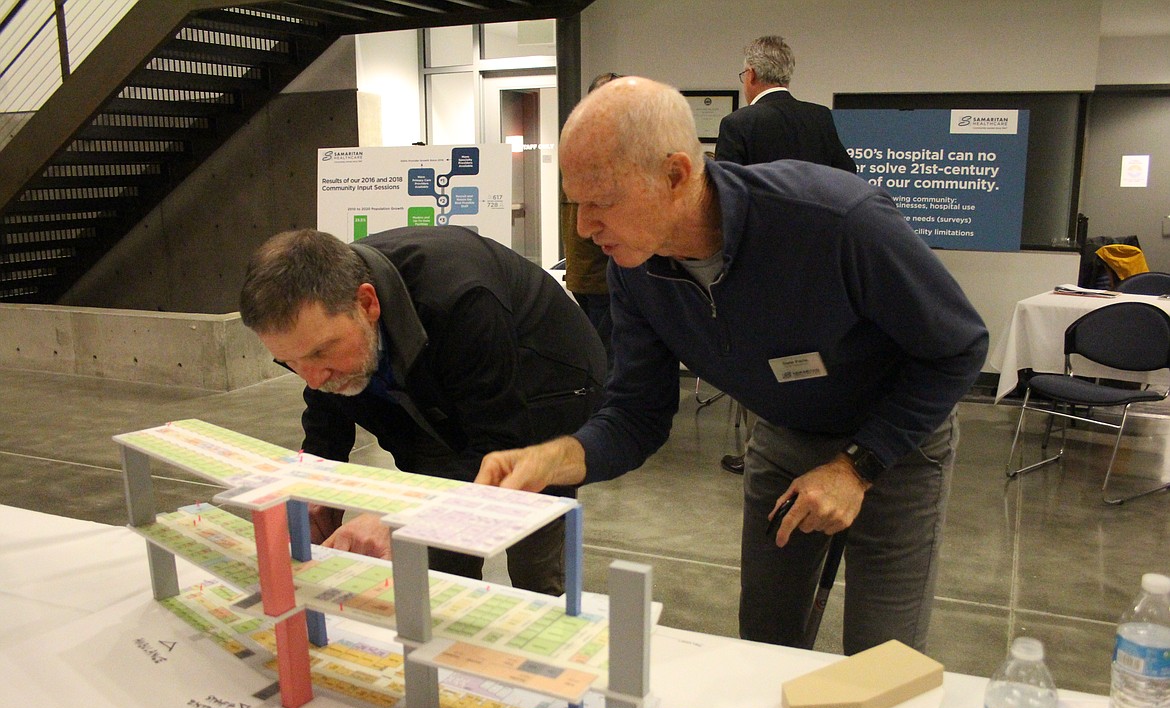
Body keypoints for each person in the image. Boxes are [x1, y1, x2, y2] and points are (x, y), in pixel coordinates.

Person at [475, 77, 988, 655]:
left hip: (898, 441)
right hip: (787, 434)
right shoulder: (636, 268)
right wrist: (557, 457)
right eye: (576, 205)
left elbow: (958, 347)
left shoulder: (836, 220)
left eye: (602, 203)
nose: (585, 229)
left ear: (675, 175)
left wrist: (857, 467)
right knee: (764, 642)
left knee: (883, 657)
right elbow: (637, 413)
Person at [239, 226, 606, 596]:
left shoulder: (461, 298)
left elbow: (499, 442)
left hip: (542, 390)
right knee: (439, 556)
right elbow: (325, 406)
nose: (313, 378)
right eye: (292, 362)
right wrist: (313, 483)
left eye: (320, 352)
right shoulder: (329, 317)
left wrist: (402, 517)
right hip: (439, 392)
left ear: (367, 304)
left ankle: (546, 617)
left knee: (528, 540)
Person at [715, 37, 857, 476]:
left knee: (762, 359)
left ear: (752, 76)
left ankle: (764, 451)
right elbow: (847, 180)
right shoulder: (820, 118)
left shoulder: (739, 124)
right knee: (817, 355)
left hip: (762, 267)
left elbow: (724, 201)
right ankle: (817, 444)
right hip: (820, 266)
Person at [716, 35, 856, 173]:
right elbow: (848, 171)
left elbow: (725, 186)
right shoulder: (820, 116)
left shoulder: (736, 123)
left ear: (751, 75)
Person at [562, 71, 623, 370]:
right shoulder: (601, 147)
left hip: (586, 270)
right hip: (600, 271)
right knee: (608, 357)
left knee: (601, 351)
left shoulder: (577, 140)